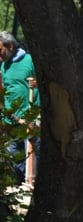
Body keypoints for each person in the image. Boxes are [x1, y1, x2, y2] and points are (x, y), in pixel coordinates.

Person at [0, 31, 39, 185]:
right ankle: (20, 189)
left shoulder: (30, 61)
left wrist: (37, 84)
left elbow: (47, 84)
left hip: (30, 120)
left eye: (0, 50)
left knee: (34, 158)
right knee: (15, 161)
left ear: (10, 46)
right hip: (10, 121)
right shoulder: (3, 65)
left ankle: (33, 190)